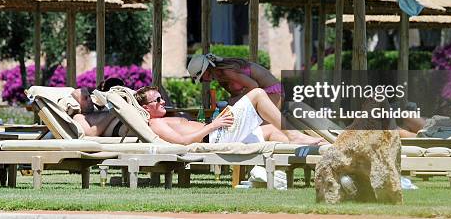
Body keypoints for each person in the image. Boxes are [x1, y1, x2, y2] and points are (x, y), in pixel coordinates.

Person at [135, 86, 324, 146]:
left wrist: (212, 124)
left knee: (271, 129)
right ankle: (294, 135)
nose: (162, 101)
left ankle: (316, 147)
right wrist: (214, 125)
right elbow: (184, 141)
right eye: (157, 100)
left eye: (161, 98)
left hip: (217, 132)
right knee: (257, 93)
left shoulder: (163, 118)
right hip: (215, 137)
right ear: (146, 107)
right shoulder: (155, 124)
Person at [187, 53, 284, 108]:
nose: (203, 81)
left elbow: (254, 86)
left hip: (273, 93)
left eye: (201, 78)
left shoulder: (227, 71)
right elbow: (236, 97)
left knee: (263, 130)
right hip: (265, 95)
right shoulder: (221, 78)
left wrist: (228, 102)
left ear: (207, 69)